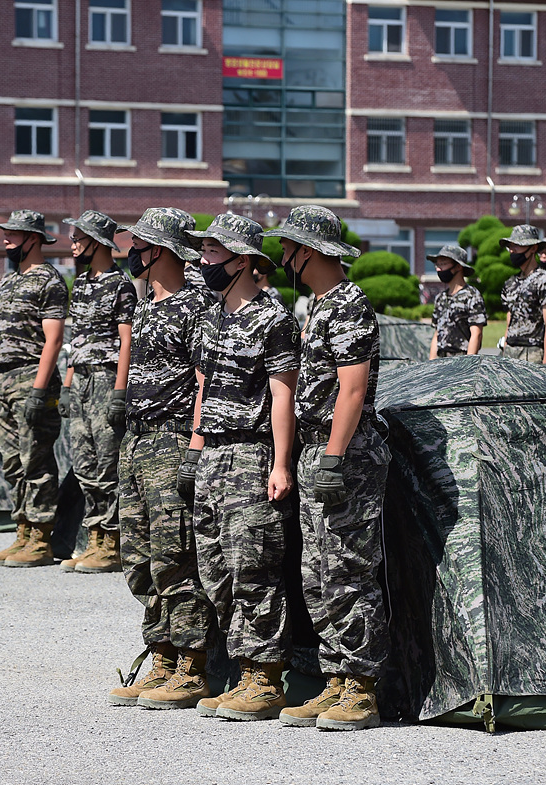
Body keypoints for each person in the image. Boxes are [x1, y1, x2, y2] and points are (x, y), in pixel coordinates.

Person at [263, 205, 388, 732]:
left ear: (307, 251)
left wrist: (334, 457)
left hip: (348, 455)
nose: (283, 256)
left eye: (288, 248)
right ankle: (335, 678)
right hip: (317, 449)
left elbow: (353, 388)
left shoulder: (349, 305)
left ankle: (360, 687)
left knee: (350, 569)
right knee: (318, 574)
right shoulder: (313, 305)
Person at [182, 213, 300, 721]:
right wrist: (195, 444)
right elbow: (202, 385)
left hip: (252, 454)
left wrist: (280, 463)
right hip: (211, 454)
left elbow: (283, 396)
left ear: (244, 260)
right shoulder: (210, 317)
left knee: (254, 565)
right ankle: (238, 668)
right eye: (204, 252)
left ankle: (265, 678)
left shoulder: (274, 320)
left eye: (213, 252)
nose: (204, 260)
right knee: (214, 567)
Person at [107, 208, 215, 710]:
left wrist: (195, 444)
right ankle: (162, 655)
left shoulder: (197, 305)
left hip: (172, 443)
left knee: (177, 556)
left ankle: (192, 666)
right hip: (137, 442)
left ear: (163, 250)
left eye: (142, 246)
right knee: (140, 559)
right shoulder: (148, 303)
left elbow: (202, 381)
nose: (133, 254)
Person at [0, 211, 67, 568]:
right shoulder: (9, 280)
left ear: (33, 239)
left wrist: (38, 388)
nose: (6, 241)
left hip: (33, 376)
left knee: (37, 460)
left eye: (13, 235)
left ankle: (42, 537)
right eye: (6, 234)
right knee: (12, 462)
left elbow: (54, 339)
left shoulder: (50, 281)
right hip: (4, 379)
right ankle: (22, 533)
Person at [58, 210, 136, 573]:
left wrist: (120, 391)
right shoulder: (83, 283)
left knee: (108, 461)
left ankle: (112, 542)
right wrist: (67, 383)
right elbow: (77, 340)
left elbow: (126, 341)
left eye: (79, 237)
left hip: (106, 378)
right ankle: (94, 538)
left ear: (98, 242)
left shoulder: (120, 285)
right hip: (82, 379)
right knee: (83, 459)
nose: (73, 244)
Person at [499, 225, 546, 366]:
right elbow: (509, 322)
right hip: (510, 351)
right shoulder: (510, 283)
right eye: (510, 246)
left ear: (533, 248)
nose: (512, 251)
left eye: (518, 246)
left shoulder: (545, 280)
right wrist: (505, 348)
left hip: (532, 352)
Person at [427, 245, 486, 359]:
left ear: (458, 267)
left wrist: (468, 365)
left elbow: (476, 334)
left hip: (460, 359)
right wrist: (430, 365)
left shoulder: (472, 295)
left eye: (443, 264)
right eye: (437, 265)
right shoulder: (441, 298)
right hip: (441, 361)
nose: (439, 269)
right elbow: (436, 335)